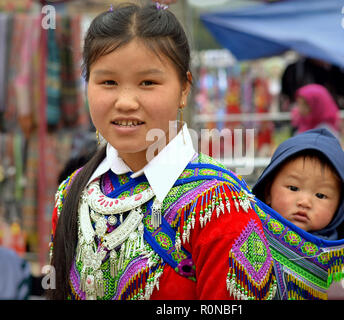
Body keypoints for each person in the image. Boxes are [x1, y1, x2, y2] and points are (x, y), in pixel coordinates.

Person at [48, 2, 275, 300]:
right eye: (108, 82)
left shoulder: (221, 207)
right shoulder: (71, 193)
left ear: (184, 88)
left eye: (147, 82)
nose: (126, 101)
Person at [253, 128, 344, 240]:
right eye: (293, 188)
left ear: (340, 207)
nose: (305, 202)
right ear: (268, 192)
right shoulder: (244, 235)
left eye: (320, 195)